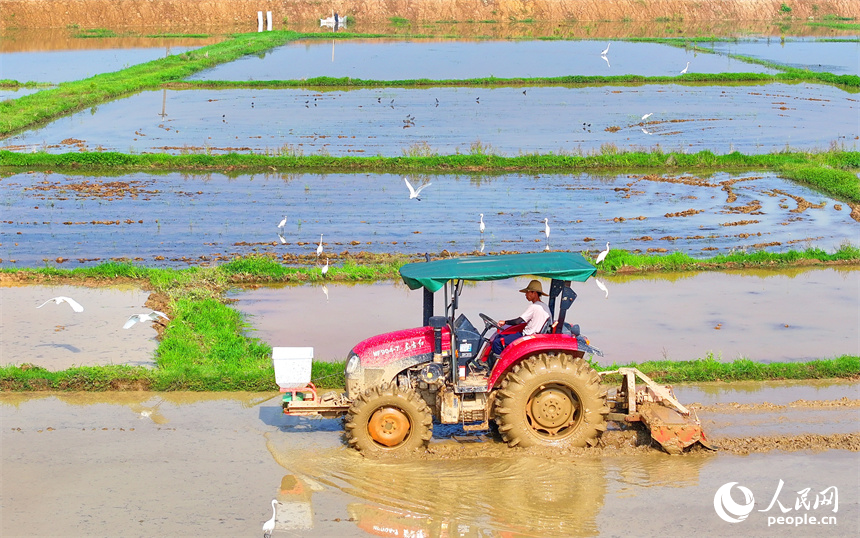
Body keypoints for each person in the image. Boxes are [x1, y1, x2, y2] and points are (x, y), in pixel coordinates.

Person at [490, 280, 552, 357]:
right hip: (533, 335)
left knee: (497, 342)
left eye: (527, 292)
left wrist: (505, 322)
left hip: (527, 336)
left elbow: (518, 321)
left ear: (534, 293)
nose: (525, 295)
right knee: (499, 336)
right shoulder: (545, 306)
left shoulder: (534, 307)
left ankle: (498, 362)